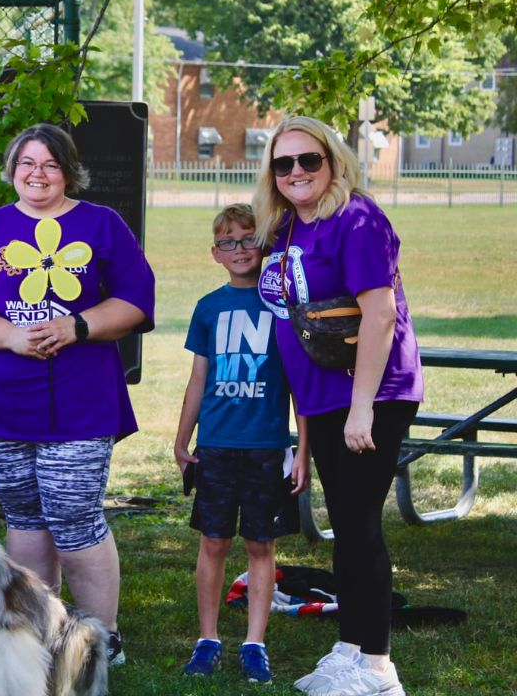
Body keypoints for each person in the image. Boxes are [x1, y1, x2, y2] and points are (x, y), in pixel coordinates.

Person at [0, 123, 155, 666]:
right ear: (12, 170)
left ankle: (102, 639)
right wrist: (12, 336)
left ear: (68, 171)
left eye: (50, 164)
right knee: (25, 518)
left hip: (80, 400)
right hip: (3, 402)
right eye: (27, 163)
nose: (38, 174)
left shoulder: (100, 224)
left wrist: (76, 326)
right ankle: (42, 632)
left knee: (73, 515)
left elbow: (136, 298)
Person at [253, 116, 423, 696]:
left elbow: (380, 314)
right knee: (346, 525)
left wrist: (362, 407)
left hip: (370, 393)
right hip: (322, 397)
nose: (296, 171)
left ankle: (377, 667)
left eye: (309, 159)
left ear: (334, 161)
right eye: (284, 163)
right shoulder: (284, 228)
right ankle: (352, 646)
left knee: (357, 524)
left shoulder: (357, 218)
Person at [172, 203, 310, 684]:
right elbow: (198, 379)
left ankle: (255, 644)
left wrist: (303, 449)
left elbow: (299, 385)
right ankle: (207, 639)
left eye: (249, 239)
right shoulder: (208, 308)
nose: (239, 249)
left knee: (260, 544)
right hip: (217, 444)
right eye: (228, 242)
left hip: (266, 445)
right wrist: (182, 438)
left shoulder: (281, 307)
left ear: (265, 244)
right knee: (213, 541)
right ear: (216, 253)